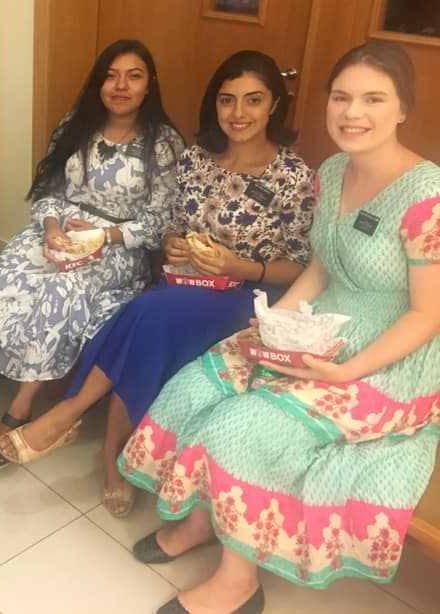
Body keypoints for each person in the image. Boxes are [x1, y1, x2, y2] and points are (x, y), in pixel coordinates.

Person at [118, 41, 440, 614]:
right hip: (319, 323)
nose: (352, 113)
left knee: (244, 422)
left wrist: (346, 370)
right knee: (200, 382)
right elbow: (321, 266)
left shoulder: (427, 197)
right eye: (341, 97)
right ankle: (200, 520)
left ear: (402, 109)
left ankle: (238, 579)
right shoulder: (335, 172)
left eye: (373, 99)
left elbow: (427, 314)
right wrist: (273, 326)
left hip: (390, 356)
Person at [0, 51, 316, 518]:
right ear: (215, 105)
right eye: (227, 100)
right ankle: (107, 452)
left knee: (147, 313)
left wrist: (241, 267)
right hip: (185, 283)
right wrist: (176, 246)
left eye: (253, 100)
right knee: (150, 317)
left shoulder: (294, 177)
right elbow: (171, 229)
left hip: (247, 294)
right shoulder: (195, 162)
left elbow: (300, 266)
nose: (238, 114)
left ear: (274, 106)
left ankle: (74, 418)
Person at [0, 39, 184, 470]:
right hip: (60, 231)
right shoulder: (75, 124)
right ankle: (14, 360)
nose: (120, 85)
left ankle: (22, 406)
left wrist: (104, 235)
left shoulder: (163, 143)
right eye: (111, 75)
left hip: (117, 247)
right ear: (98, 81)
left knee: (63, 290)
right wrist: (51, 228)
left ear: (149, 85)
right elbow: (49, 188)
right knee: (2, 279)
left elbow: (161, 220)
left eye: (134, 75)